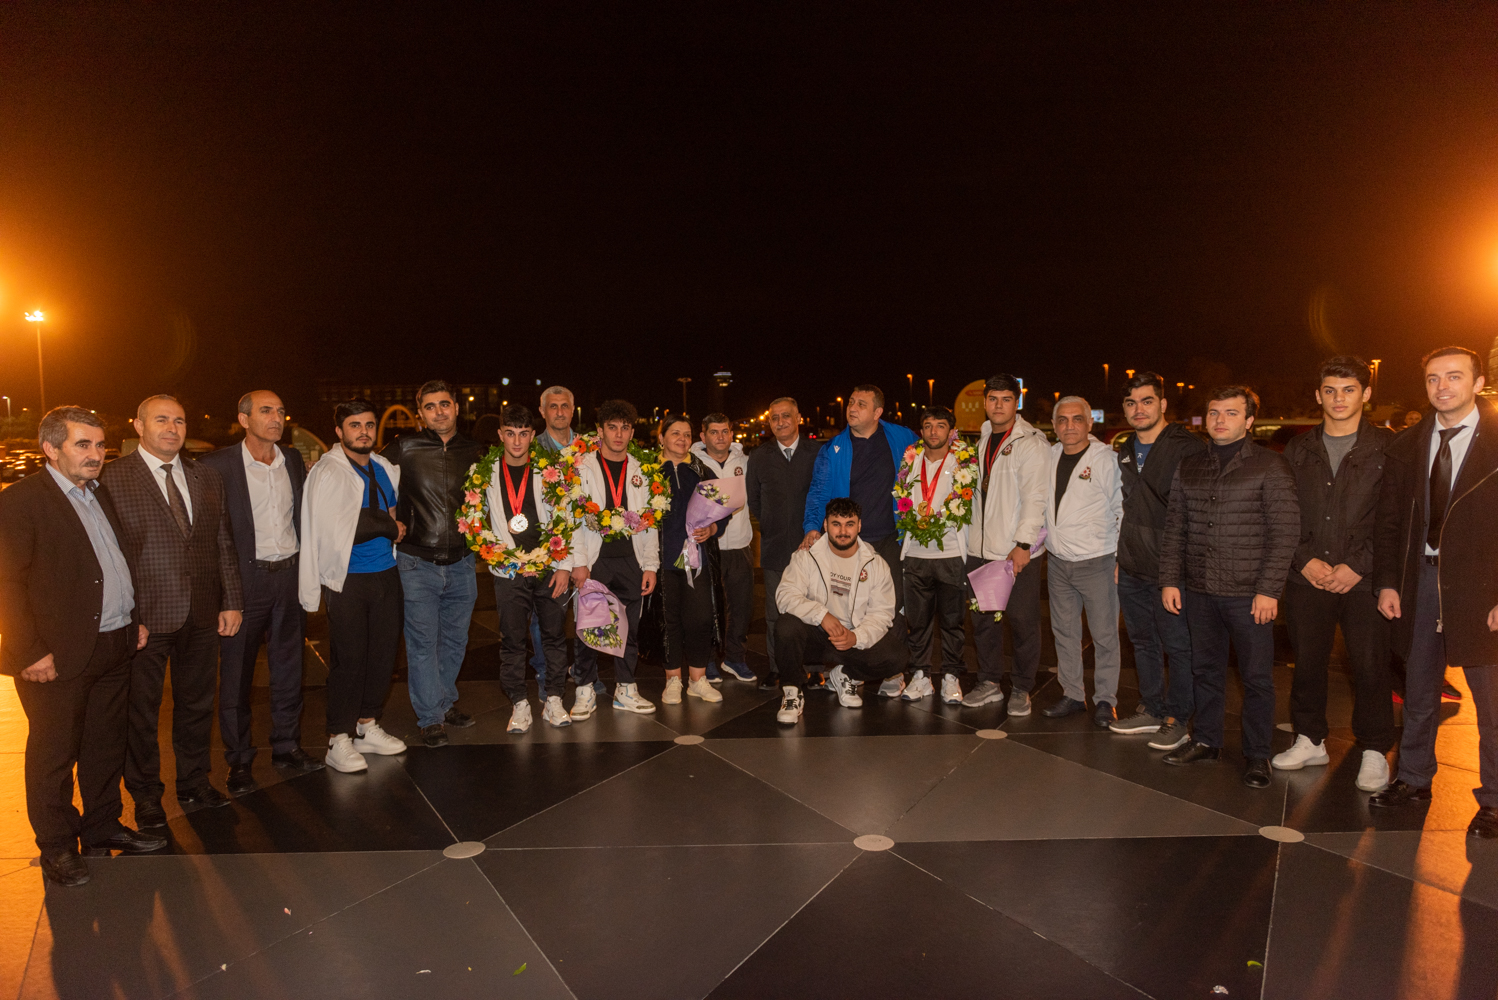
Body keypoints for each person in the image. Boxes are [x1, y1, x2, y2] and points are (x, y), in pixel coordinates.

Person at [0, 407, 161, 887]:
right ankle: (56, 846)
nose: (96, 454)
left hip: (114, 642)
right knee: (54, 754)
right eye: (83, 444)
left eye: (99, 444)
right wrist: (28, 651)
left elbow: (116, 562)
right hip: (55, 654)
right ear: (51, 448)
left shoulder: (97, 493)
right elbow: (7, 583)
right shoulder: (21, 501)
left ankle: (101, 826)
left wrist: (133, 618)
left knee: (104, 746)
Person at [1372, 347, 1498, 839]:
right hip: (1419, 581)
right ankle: (1413, 778)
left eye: (1454, 376)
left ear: (1478, 382)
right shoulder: (1406, 445)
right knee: (1419, 689)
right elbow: (1388, 522)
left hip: (1482, 587)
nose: (1442, 386)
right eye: (1432, 378)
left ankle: (1494, 801)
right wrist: (1387, 581)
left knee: (1491, 704)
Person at [101, 395, 243, 826]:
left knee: (197, 705)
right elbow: (109, 552)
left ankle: (194, 781)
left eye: (179, 420)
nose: (172, 428)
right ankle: (146, 795)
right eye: (161, 419)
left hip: (202, 612)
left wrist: (231, 600)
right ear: (138, 425)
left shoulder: (206, 477)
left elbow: (222, 541)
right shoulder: (111, 477)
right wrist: (127, 614)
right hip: (143, 617)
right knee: (140, 712)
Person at [1160, 386, 1298, 788]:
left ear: (1249, 420)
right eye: (1214, 412)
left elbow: (1285, 531)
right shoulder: (1190, 465)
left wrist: (1269, 589)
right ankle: (1206, 740)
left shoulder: (1270, 466)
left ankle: (1257, 754)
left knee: (1256, 679)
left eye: (1231, 413)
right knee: (1205, 670)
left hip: (1248, 594)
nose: (1220, 420)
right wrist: (1170, 580)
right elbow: (1175, 528)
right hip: (1200, 589)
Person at [1274, 357, 1395, 792]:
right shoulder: (1298, 448)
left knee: (1370, 665)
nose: (1338, 398)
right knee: (1307, 662)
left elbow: (1395, 517)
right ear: (1318, 395)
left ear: (1366, 393)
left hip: (1364, 579)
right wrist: (1303, 559)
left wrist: (1357, 566)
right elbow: (1283, 511)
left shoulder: (1389, 447)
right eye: (1330, 390)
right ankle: (1310, 739)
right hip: (1308, 575)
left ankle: (1375, 748)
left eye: (1348, 390)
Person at [199, 391, 322, 794]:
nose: (276, 418)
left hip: (288, 577)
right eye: (266, 411)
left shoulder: (293, 461)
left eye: (281, 411)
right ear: (243, 419)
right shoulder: (217, 466)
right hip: (243, 582)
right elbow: (208, 534)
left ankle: (287, 746)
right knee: (236, 676)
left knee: (289, 669)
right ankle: (238, 761)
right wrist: (223, 595)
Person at [300, 399, 409, 773]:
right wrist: (385, 525)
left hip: (385, 573)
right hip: (347, 578)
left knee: (383, 656)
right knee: (349, 660)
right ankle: (338, 738)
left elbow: (391, 516)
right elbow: (335, 527)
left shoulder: (383, 468)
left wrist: (388, 525)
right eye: (354, 425)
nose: (363, 431)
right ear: (339, 431)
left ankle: (367, 725)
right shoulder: (328, 471)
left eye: (369, 424)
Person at [380, 380, 483, 747]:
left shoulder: (476, 451)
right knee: (423, 644)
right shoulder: (402, 448)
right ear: (420, 413)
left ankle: (444, 702)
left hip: (462, 562)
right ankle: (430, 718)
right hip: (416, 562)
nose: (439, 411)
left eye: (444, 404)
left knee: (455, 641)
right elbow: (365, 477)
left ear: (456, 407)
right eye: (430, 406)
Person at [801, 385, 918, 697]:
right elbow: (818, 492)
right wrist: (812, 527)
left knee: (891, 608)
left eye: (861, 404)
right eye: (851, 402)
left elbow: (931, 456)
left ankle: (893, 672)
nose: (852, 408)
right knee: (851, 609)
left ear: (878, 412)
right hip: (850, 545)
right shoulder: (833, 449)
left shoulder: (902, 437)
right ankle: (854, 670)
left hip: (890, 539)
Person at [1110, 372, 1205, 749]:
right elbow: (1130, 508)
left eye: (1147, 401)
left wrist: (1176, 571)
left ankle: (1178, 717)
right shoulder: (1125, 447)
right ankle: (1151, 708)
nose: (1139, 409)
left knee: (1178, 646)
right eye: (1131, 403)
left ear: (1163, 404)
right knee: (1143, 641)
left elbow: (1195, 514)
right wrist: (1122, 557)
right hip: (1133, 566)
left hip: (1171, 570)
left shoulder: (1187, 448)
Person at [481, 404, 576, 734]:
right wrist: (502, 558)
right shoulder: (485, 473)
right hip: (509, 570)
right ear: (500, 434)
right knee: (512, 640)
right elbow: (476, 521)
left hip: (550, 567)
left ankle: (554, 698)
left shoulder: (549, 470)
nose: (517, 441)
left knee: (554, 637)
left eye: (523, 434)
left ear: (533, 435)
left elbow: (566, 518)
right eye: (510, 434)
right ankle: (519, 703)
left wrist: (564, 566)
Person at [774, 498, 908, 726]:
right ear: (825, 525)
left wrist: (856, 637)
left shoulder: (876, 564)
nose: (843, 531)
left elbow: (882, 614)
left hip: (851, 639)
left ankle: (847, 674)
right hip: (816, 634)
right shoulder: (806, 556)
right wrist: (821, 615)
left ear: (859, 526)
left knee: (898, 658)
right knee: (786, 626)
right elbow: (785, 595)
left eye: (849, 524)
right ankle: (792, 692)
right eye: (836, 524)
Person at [962, 374, 1049, 713]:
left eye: (1006, 399)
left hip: (1014, 551)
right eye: (993, 399)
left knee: (1023, 622)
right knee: (984, 622)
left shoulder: (1030, 442)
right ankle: (989, 682)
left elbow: (1036, 498)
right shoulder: (984, 438)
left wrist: (1024, 544)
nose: (999, 405)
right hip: (981, 549)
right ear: (985, 402)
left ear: (1017, 402)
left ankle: (1022, 687)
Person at [569, 399, 661, 715]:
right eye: (612, 427)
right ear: (600, 431)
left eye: (625, 428)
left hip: (631, 560)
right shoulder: (583, 467)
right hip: (596, 560)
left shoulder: (642, 470)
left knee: (629, 629)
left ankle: (626, 688)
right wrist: (579, 562)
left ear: (632, 432)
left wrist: (650, 565)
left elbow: (651, 520)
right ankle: (584, 689)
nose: (619, 434)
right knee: (588, 627)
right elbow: (573, 520)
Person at [1039, 397, 1124, 727]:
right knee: (1064, 633)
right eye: (1062, 420)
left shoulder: (1106, 460)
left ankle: (1105, 700)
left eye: (1077, 419)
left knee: (1104, 636)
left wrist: (1120, 558)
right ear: (1054, 425)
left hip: (1097, 561)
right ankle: (1073, 694)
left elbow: (1122, 509)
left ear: (1090, 423)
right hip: (1058, 562)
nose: (1069, 426)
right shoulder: (1049, 456)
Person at [746, 396, 821, 690]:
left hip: (813, 548)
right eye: (774, 417)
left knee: (815, 608)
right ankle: (778, 668)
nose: (780, 422)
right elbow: (754, 499)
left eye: (786, 416)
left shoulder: (817, 453)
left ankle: (814, 668)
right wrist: (769, 524)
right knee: (775, 613)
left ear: (798, 417)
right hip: (775, 548)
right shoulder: (759, 456)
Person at [897, 405, 970, 705]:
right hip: (915, 553)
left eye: (940, 425)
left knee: (952, 622)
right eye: (928, 426)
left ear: (951, 431)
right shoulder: (910, 460)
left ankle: (951, 676)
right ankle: (920, 677)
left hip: (951, 553)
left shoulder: (963, 462)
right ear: (921, 430)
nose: (933, 431)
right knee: (918, 622)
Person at [658, 415, 724, 704]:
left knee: (700, 619)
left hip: (697, 560)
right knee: (668, 620)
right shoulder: (647, 471)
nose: (682, 439)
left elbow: (722, 509)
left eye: (686, 434)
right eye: (675, 433)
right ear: (661, 437)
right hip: (661, 560)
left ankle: (697, 679)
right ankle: (673, 680)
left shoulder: (702, 470)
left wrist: (713, 528)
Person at [692, 412, 756, 683]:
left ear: (731, 434)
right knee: (707, 607)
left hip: (739, 544)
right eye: (714, 432)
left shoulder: (746, 462)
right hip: (706, 546)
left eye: (725, 431)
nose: (720, 437)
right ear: (703, 436)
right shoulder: (693, 462)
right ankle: (706, 660)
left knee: (741, 606)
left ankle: (735, 658)